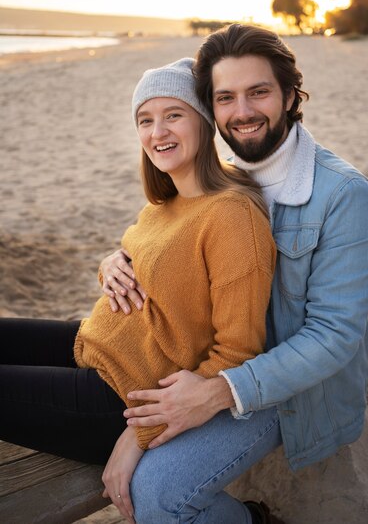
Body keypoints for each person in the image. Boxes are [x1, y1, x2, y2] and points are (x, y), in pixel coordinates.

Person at [101, 24, 368, 524]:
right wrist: (115, 260)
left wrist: (213, 393)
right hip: (210, 359)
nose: (243, 112)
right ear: (211, 109)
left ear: (291, 94)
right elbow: (171, 242)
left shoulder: (344, 196)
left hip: (292, 392)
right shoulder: (225, 178)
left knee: (159, 493)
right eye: (225, 97)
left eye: (259, 92)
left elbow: (333, 336)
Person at [0, 57, 278, 524]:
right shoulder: (168, 200)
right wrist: (108, 264)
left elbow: (238, 351)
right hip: (93, 345)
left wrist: (140, 433)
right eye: (145, 120)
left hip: (119, 398)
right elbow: (142, 258)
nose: (157, 132)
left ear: (204, 120)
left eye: (174, 115)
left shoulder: (232, 215)